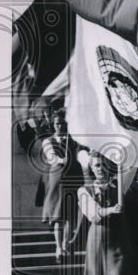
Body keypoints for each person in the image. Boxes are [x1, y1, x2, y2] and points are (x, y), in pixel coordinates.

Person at [78, 150, 134, 275]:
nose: (100, 169)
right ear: (91, 168)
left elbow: (132, 167)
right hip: (98, 240)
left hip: (118, 241)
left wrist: (122, 151)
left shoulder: (118, 184)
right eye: (97, 165)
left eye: (103, 164)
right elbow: (92, 214)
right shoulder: (84, 190)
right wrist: (111, 210)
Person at [40, 110, 84, 262]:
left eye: (63, 124)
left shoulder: (73, 140)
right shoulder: (48, 141)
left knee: (70, 215)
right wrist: (60, 159)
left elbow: (81, 154)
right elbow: (52, 158)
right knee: (57, 216)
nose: (60, 127)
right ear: (53, 124)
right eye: (57, 124)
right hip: (57, 179)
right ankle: (58, 247)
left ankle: (66, 245)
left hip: (73, 178)